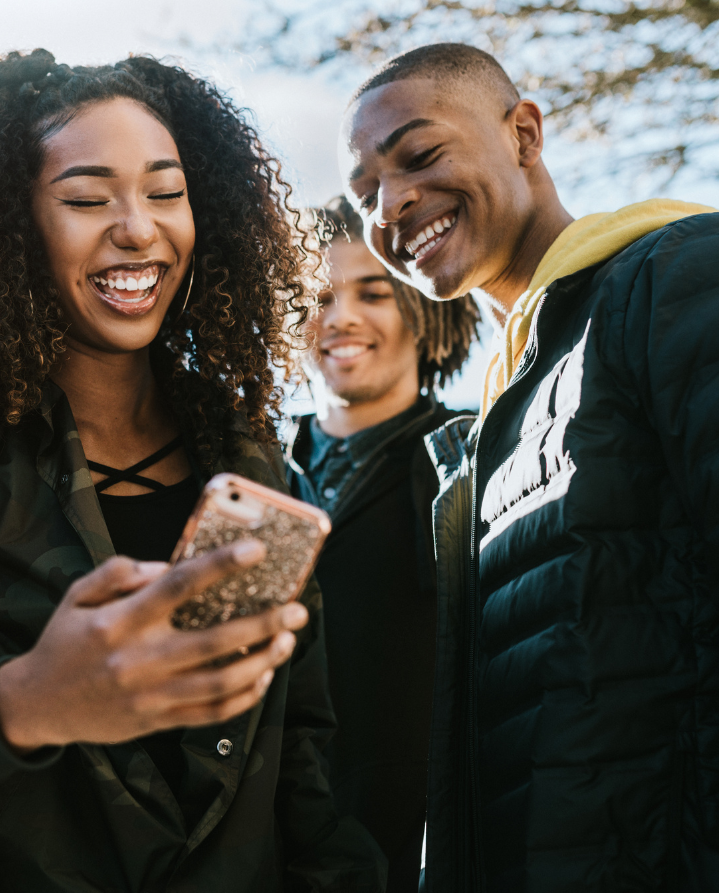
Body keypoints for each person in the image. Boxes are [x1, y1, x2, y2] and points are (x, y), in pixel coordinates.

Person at [0, 49, 383, 892]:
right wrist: (25, 699)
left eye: (166, 192)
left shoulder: (252, 459)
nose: (138, 226)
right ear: (13, 224)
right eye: (86, 198)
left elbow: (304, 765)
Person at [340, 42, 719, 892]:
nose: (393, 203)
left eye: (420, 155)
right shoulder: (490, 427)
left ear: (524, 133)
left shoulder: (691, 272)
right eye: (366, 191)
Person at [285, 196, 479, 893]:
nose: (341, 317)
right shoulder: (246, 461)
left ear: (427, 311)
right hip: (268, 839)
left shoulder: (475, 458)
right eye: (321, 295)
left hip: (417, 848)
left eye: (373, 293)